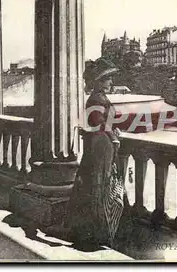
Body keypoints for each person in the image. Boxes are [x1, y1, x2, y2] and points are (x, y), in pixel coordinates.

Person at [64, 57, 124, 250]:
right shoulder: (98, 98)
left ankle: (88, 231)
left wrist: (113, 132)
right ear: (99, 80)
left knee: (93, 184)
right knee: (99, 185)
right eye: (108, 79)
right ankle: (96, 233)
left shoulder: (97, 97)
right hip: (100, 146)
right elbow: (99, 122)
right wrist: (113, 136)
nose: (111, 82)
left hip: (98, 145)